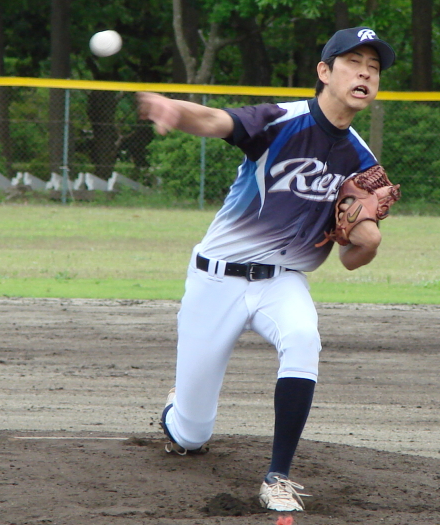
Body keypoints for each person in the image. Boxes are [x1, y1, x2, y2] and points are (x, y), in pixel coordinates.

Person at [137, 26, 396, 512]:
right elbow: (217, 120)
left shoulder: (362, 161)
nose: (365, 73)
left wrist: (368, 243)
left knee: (303, 339)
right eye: (353, 62)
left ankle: (278, 476)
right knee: (191, 434)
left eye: (374, 67)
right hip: (216, 278)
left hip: (283, 280)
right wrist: (176, 111)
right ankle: (178, 411)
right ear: (324, 72)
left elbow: (349, 259)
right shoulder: (281, 120)